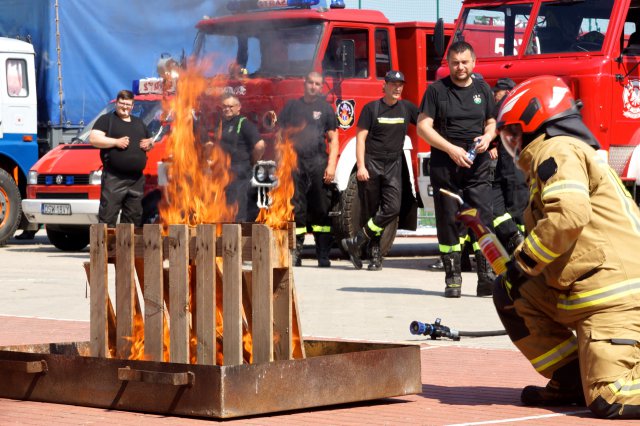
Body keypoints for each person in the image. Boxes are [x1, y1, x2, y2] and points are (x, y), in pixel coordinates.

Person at [494, 75, 640, 418]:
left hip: (615, 296)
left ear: (537, 121)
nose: (512, 143)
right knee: (513, 290)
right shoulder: (556, 154)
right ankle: (572, 379)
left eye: (514, 133)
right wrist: (520, 269)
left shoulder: (557, 149)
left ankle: (592, 379)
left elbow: (570, 214)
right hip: (590, 288)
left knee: (611, 399)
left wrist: (525, 259)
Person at [416, 41, 497, 298]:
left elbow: (492, 122)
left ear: (473, 62)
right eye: (455, 63)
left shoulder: (483, 89)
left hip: (478, 164)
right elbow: (423, 127)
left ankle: (486, 278)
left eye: (464, 62)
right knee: (449, 220)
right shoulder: (437, 91)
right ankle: (453, 279)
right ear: (448, 64)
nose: (460, 67)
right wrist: (451, 149)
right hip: (446, 164)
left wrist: (487, 138)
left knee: (482, 218)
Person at [341, 70, 419, 271]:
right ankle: (374, 254)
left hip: (394, 165)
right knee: (370, 211)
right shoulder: (371, 109)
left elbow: (427, 123)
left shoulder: (407, 108)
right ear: (384, 86)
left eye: (400, 84)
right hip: (372, 165)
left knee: (391, 208)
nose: (397, 88)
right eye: (393, 84)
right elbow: (360, 138)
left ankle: (357, 241)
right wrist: (361, 166)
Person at [278, 71, 339, 267]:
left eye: (318, 84)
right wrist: (282, 160)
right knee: (297, 209)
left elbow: (333, 139)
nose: (314, 86)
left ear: (321, 87)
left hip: (319, 163)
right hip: (296, 164)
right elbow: (280, 135)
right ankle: (296, 252)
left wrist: (331, 165)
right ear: (304, 83)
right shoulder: (292, 107)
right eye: (311, 83)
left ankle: (323, 255)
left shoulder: (326, 109)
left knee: (321, 207)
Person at [89, 90, 153, 227]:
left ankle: (127, 248)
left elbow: (150, 140)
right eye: (122, 103)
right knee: (108, 218)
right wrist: (115, 142)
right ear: (117, 103)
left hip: (136, 179)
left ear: (132, 106)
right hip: (114, 178)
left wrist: (150, 143)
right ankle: (106, 248)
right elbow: (94, 139)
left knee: (133, 219)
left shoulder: (139, 122)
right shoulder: (107, 119)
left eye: (128, 104)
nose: (125, 107)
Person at [208, 93, 265, 222]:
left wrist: (252, 162)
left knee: (238, 209)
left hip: (241, 172)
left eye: (230, 106)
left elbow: (260, 145)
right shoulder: (222, 125)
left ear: (238, 107)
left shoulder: (244, 123)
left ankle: (240, 234)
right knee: (226, 209)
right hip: (224, 172)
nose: (227, 109)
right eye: (224, 106)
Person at [489, 77, 527, 254]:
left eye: (496, 93)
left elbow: (490, 124)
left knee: (515, 209)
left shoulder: (506, 103)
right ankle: (517, 241)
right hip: (513, 166)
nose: (494, 96)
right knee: (511, 207)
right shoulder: (519, 106)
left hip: (512, 167)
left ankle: (520, 245)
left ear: (505, 92)